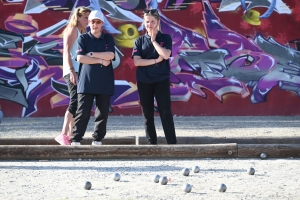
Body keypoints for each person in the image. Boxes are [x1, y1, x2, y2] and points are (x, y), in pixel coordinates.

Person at [132, 8, 177, 145]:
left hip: (161, 79)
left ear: (157, 22)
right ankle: (152, 143)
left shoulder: (165, 38)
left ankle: (172, 143)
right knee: (147, 113)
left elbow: (166, 55)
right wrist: (155, 61)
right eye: (147, 22)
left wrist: (153, 41)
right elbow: (137, 61)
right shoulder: (139, 41)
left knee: (165, 111)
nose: (149, 24)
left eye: (152, 21)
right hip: (144, 80)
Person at [71, 10, 115, 145]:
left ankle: (97, 139)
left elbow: (111, 56)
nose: (95, 24)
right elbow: (80, 58)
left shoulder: (108, 38)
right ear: (89, 23)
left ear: (102, 24)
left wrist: (91, 54)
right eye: (92, 21)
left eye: (98, 22)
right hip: (86, 81)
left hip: (104, 81)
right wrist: (101, 60)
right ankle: (76, 139)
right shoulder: (83, 38)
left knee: (102, 113)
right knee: (82, 112)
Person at [55, 6, 91, 145]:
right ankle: (63, 134)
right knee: (75, 101)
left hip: (78, 71)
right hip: (72, 71)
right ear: (78, 17)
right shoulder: (72, 30)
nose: (88, 21)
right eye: (85, 18)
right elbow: (66, 52)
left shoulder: (80, 32)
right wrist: (72, 71)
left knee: (76, 101)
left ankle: (70, 134)